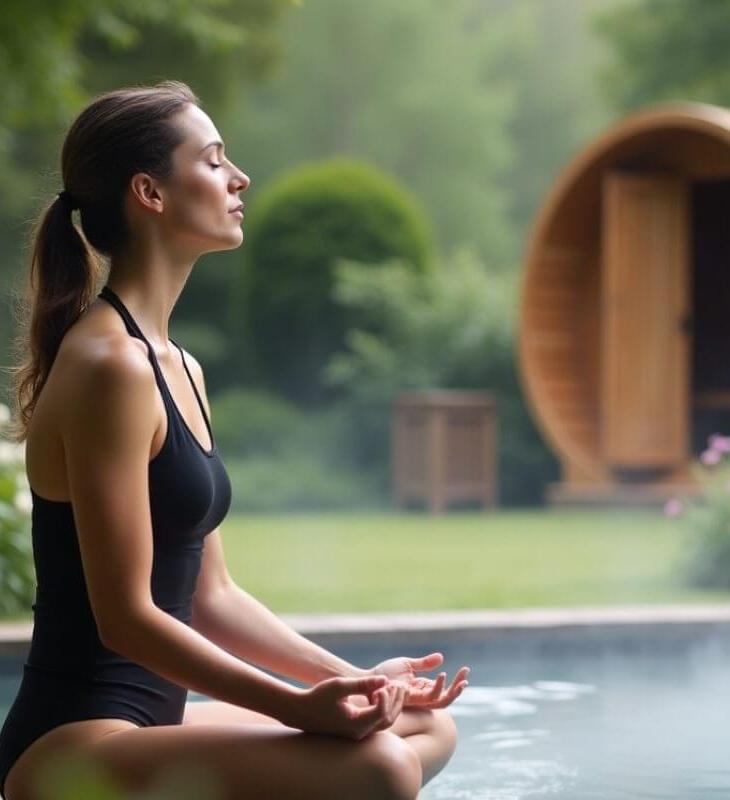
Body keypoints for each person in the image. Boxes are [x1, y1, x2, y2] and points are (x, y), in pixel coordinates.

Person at [0, 80, 469, 800]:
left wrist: (354, 682)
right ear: (150, 193)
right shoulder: (108, 367)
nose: (239, 177)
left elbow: (211, 595)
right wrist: (293, 706)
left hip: (151, 735)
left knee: (421, 730)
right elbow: (124, 618)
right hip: (72, 747)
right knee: (378, 768)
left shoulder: (178, 365)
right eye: (214, 160)